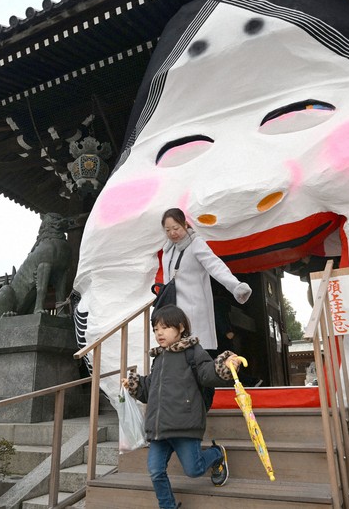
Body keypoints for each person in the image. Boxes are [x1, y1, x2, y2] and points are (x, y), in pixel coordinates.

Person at [122, 305, 243, 509]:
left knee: (194, 470)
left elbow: (207, 373)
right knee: (155, 470)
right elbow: (151, 388)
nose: (159, 333)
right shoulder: (158, 358)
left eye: (164, 327)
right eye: (155, 329)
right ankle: (168, 506)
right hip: (159, 429)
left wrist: (224, 365)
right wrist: (135, 384)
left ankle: (216, 454)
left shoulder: (192, 351)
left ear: (180, 328)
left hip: (184, 424)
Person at [159, 207, 252, 354]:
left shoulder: (196, 243)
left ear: (185, 224)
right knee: (176, 356)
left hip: (193, 309)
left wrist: (235, 286)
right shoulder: (168, 251)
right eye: (167, 230)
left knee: (195, 352)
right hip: (173, 312)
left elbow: (215, 265)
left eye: (176, 228)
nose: (172, 233)